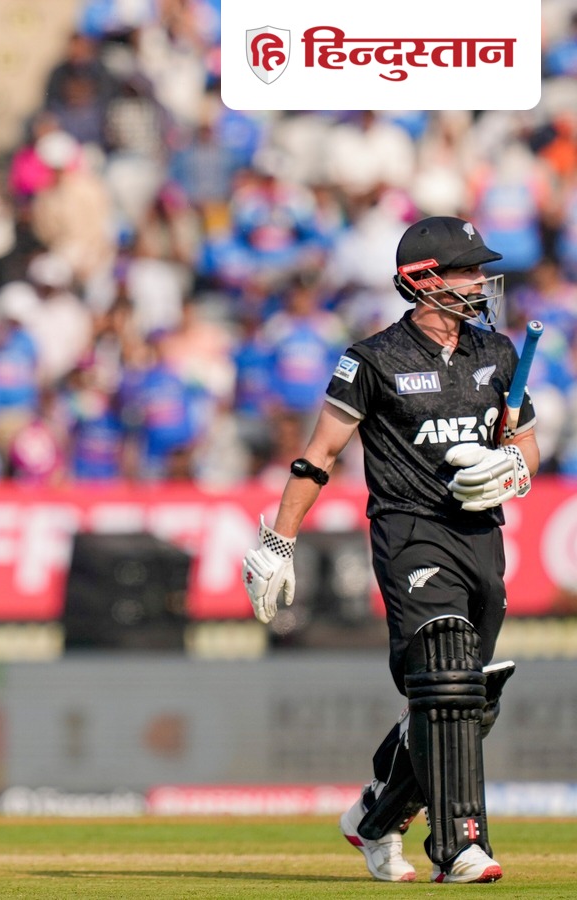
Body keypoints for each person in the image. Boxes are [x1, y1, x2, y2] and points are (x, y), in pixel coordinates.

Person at [242, 216, 536, 885]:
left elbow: (525, 442)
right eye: (468, 271)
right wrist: (277, 541)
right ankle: (459, 847)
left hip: (481, 537)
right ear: (424, 280)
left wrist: (514, 469)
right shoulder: (373, 359)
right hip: (409, 534)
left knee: (465, 699)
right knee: (448, 675)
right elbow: (319, 455)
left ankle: (376, 816)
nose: (481, 282)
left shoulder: (498, 352)